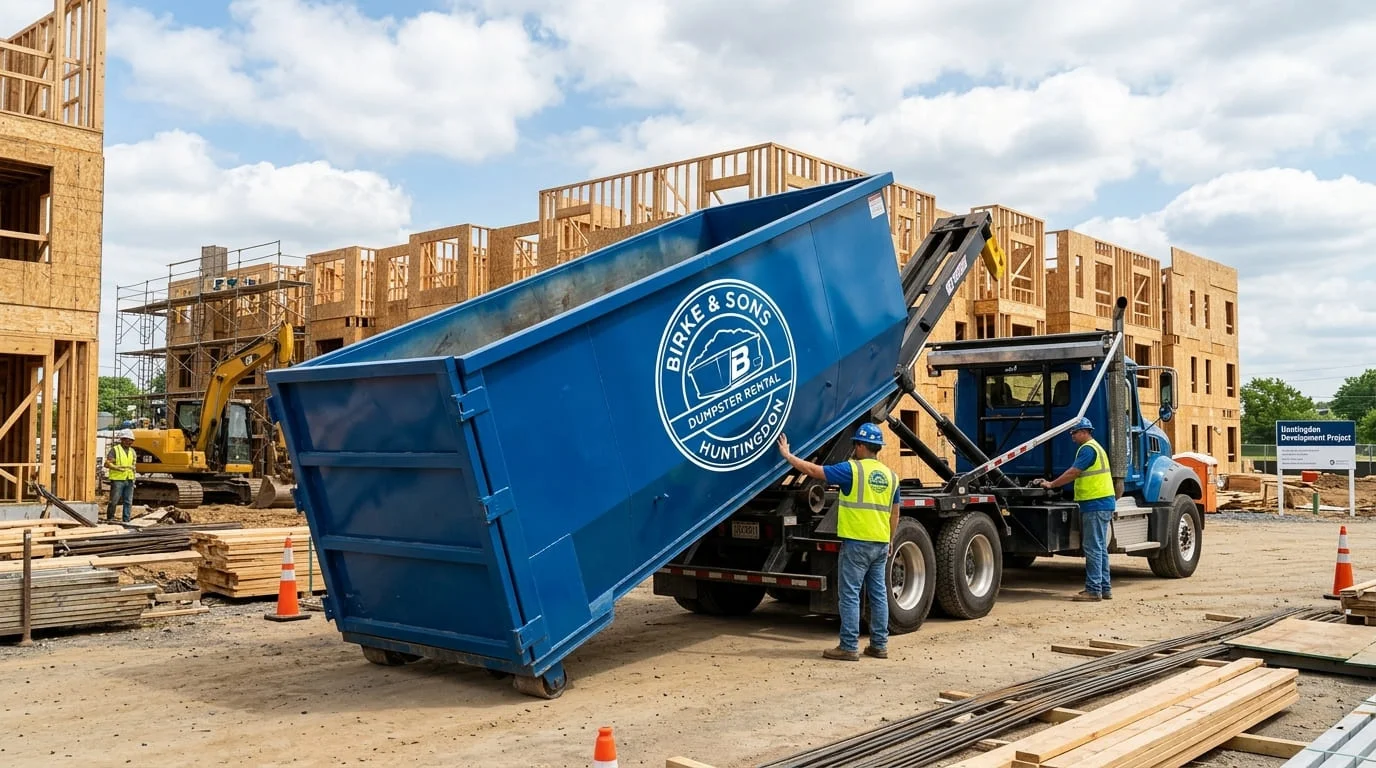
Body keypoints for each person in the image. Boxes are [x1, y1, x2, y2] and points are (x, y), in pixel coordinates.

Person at [778, 424, 899, 661]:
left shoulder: (852, 470)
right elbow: (895, 514)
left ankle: (848, 646)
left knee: (851, 595)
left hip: (856, 543)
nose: (854, 448)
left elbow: (814, 471)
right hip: (880, 543)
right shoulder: (891, 476)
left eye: (856, 444)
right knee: (878, 595)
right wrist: (890, 540)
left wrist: (787, 456)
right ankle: (879, 645)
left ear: (862, 446)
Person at [1033, 417, 1116, 601]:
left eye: (1074, 433)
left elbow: (1073, 472)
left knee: (1092, 547)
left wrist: (1052, 484)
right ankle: (1104, 587)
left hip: (1095, 503)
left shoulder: (1087, 450)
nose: (1072, 437)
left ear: (1084, 432)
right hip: (1101, 502)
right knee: (1100, 547)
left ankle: (1094, 590)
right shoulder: (1096, 447)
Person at [105, 429, 137, 523]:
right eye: (127, 440)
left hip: (129, 479)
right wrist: (117, 468)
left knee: (128, 501)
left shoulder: (132, 451)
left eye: (131, 440)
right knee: (114, 501)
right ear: (122, 439)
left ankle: (126, 520)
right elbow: (107, 464)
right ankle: (110, 518)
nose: (129, 442)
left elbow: (133, 466)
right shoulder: (115, 450)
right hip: (117, 479)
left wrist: (134, 478)